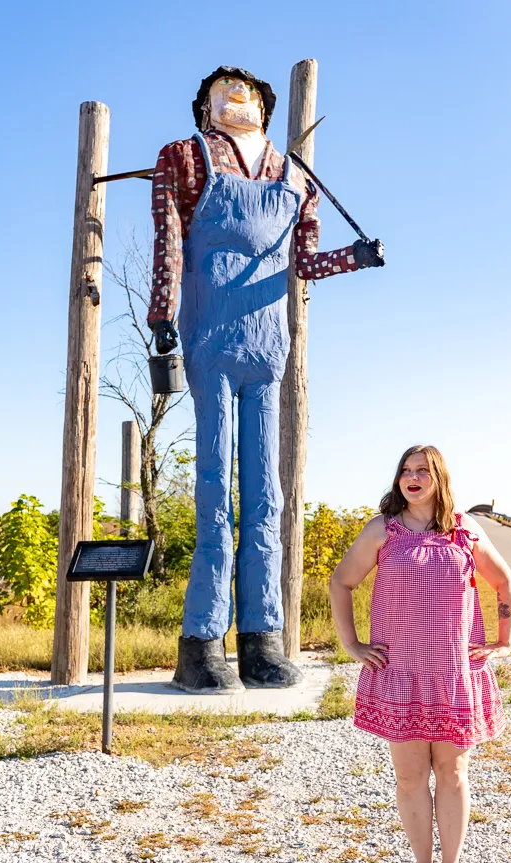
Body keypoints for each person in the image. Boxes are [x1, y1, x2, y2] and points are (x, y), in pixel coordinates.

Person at [147, 66, 385, 693]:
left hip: (267, 341)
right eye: (220, 90)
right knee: (214, 491)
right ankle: (202, 641)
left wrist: (354, 258)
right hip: (209, 336)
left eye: (245, 89)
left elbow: (302, 262)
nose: (235, 95)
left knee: (267, 496)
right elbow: (167, 242)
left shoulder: (294, 177)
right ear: (203, 107)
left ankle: (263, 639)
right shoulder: (184, 158)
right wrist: (163, 315)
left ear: (265, 106)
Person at [329, 445, 511, 863]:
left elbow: (505, 583)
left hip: (455, 674)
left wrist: (505, 640)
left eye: (422, 471)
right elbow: (341, 582)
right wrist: (352, 645)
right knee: (411, 778)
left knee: (453, 775)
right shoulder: (382, 531)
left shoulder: (464, 530)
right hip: (400, 675)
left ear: (440, 477)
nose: (412, 479)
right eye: (405, 471)